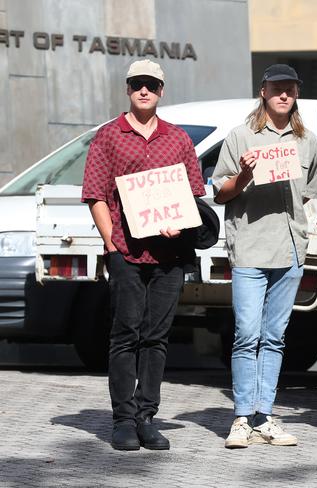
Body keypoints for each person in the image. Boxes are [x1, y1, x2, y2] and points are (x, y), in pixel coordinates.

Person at [81, 59, 206, 451]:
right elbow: (95, 194)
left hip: (169, 255)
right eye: (138, 84)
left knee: (156, 337)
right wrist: (110, 240)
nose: (144, 91)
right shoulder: (108, 136)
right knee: (125, 334)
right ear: (128, 89)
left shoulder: (178, 139)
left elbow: (192, 193)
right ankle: (121, 420)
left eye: (151, 85)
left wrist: (180, 223)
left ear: (161, 90)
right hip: (127, 253)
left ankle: (146, 416)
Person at [212, 64, 317, 449]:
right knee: (247, 335)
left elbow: (309, 193)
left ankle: (265, 416)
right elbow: (221, 193)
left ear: (296, 93)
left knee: (275, 338)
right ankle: (242, 417)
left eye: (290, 89)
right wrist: (243, 177)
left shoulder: (308, 141)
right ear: (263, 91)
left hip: (290, 250)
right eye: (277, 88)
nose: (283, 95)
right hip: (249, 250)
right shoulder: (240, 137)